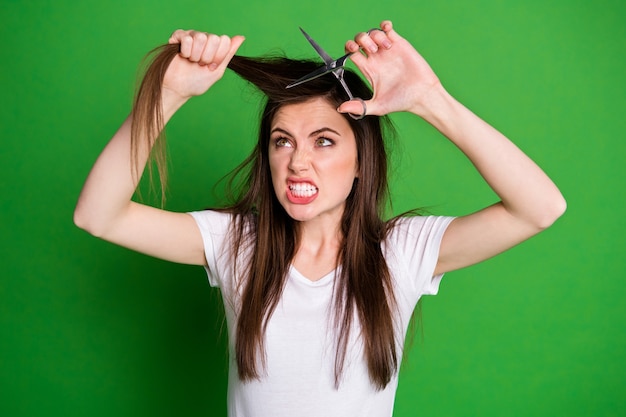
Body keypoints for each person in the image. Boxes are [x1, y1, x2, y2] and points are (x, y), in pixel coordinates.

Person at [74, 20, 566, 417]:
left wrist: (428, 100)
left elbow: (540, 208)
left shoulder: (401, 252)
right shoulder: (235, 243)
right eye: (282, 140)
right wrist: (169, 94)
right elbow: (99, 215)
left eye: (324, 140)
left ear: (360, 163)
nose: (297, 161)